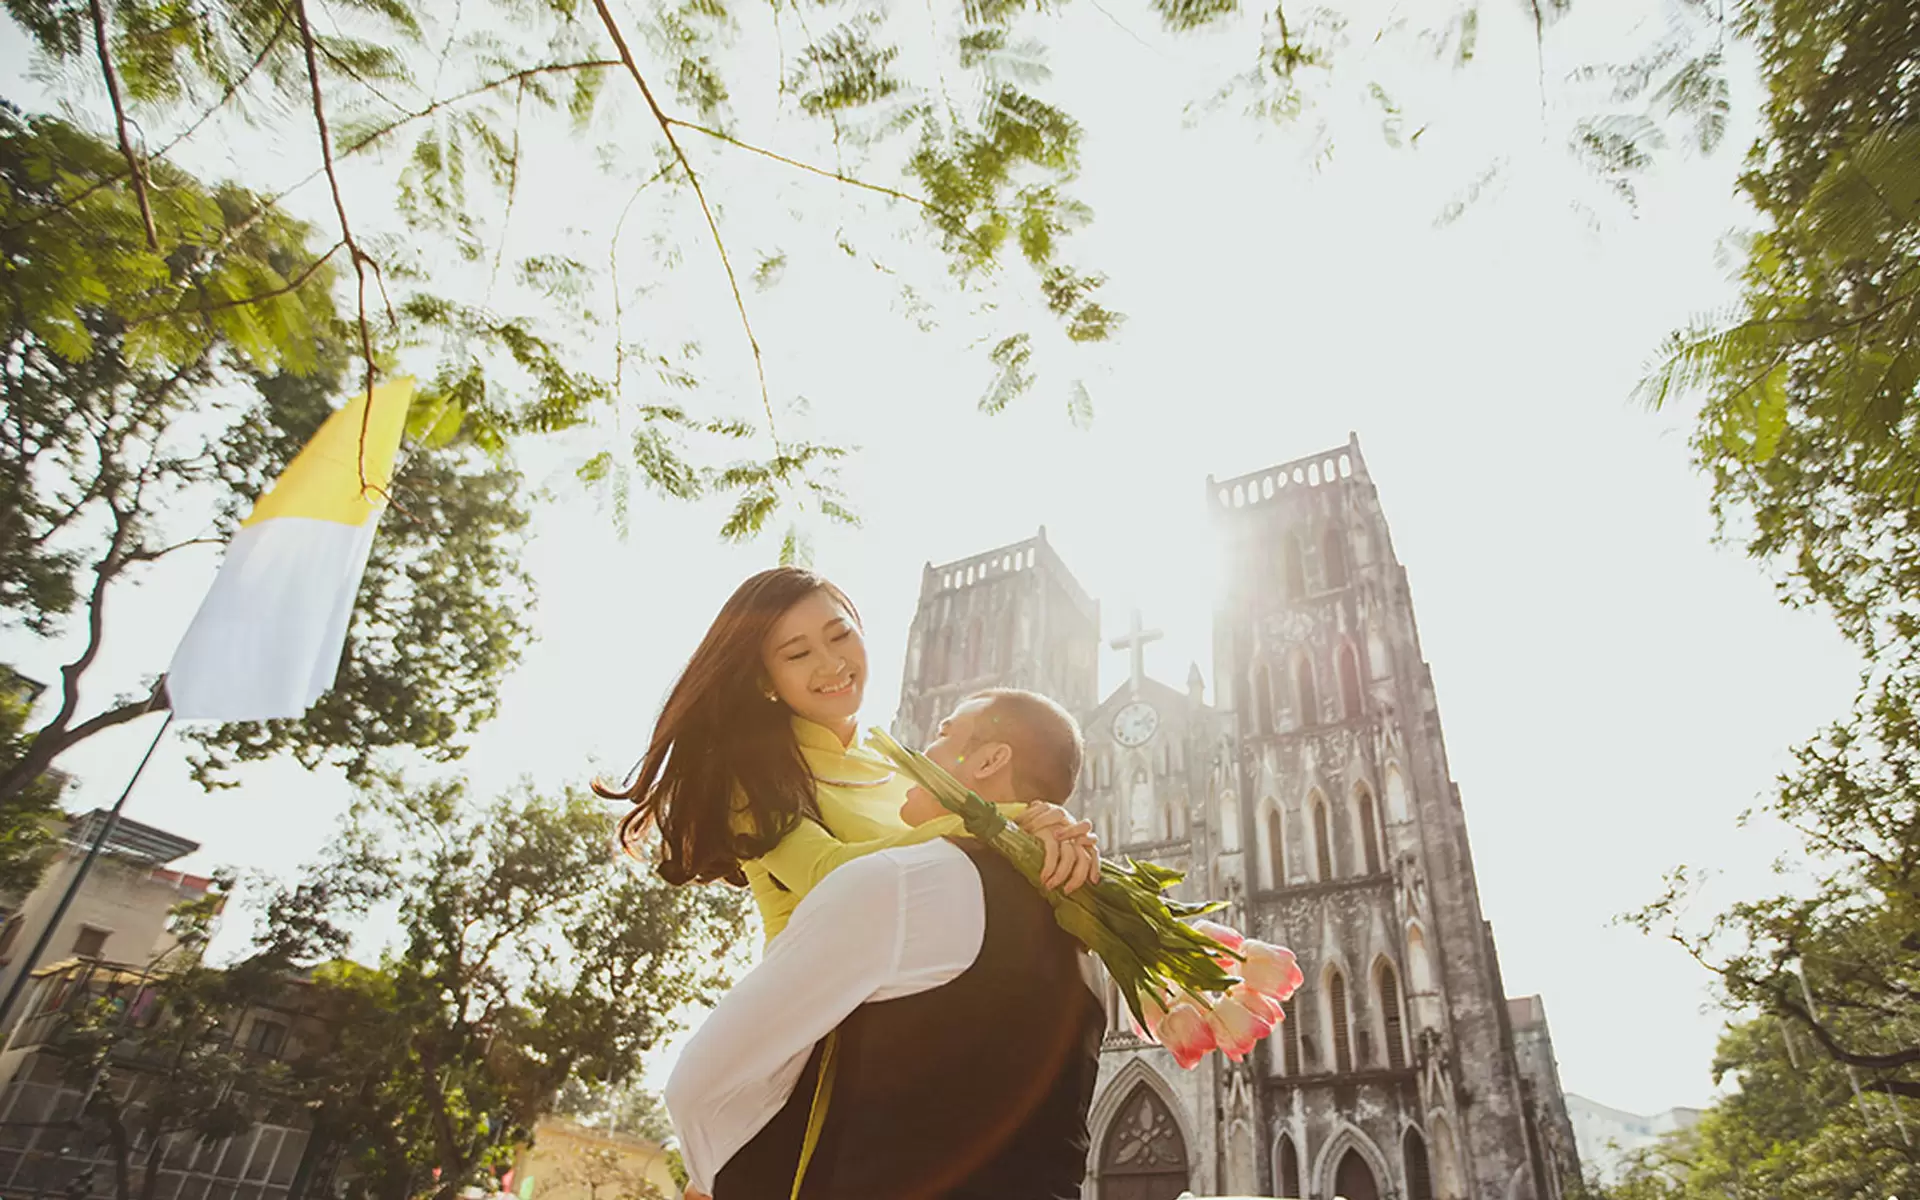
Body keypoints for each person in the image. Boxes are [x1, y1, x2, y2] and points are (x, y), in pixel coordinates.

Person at [667, 688, 1107, 1200]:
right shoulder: (1085, 947)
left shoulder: (902, 883)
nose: (919, 755)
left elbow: (698, 1089)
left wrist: (718, 1182)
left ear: (990, 759)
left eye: (943, 736)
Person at [596, 567, 1100, 943]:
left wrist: (1050, 833)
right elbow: (828, 875)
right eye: (798, 654)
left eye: (840, 636)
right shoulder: (748, 776)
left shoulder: (907, 769)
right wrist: (1000, 826)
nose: (833, 664)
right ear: (763, 681)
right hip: (827, 1029)